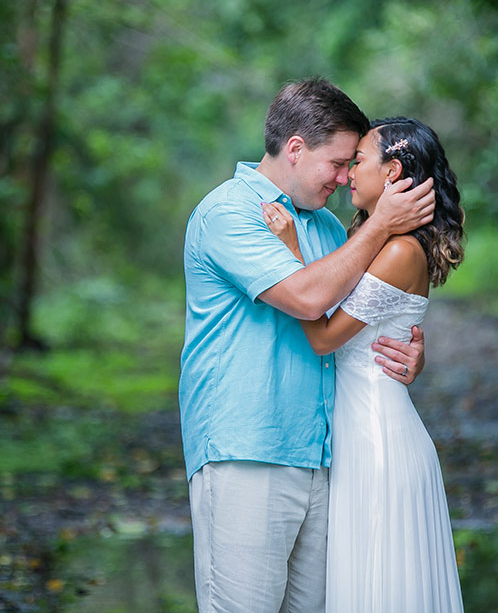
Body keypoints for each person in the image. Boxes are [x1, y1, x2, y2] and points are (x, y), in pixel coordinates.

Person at [179, 78, 435, 612]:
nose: (345, 180)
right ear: (295, 148)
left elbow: (360, 315)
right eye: (339, 164)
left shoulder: (325, 227)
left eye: (352, 166)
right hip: (248, 453)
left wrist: (407, 344)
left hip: (325, 459)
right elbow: (309, 298)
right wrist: (381, 223)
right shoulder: (229, 213)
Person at [262, 116, 466, 612]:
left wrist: (291, 252)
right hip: (358, 432)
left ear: (393, 172)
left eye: (359, 162)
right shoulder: (375, 241)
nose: (349, 173)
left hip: (378, 439)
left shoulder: (398, 250)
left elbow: (326, 336)